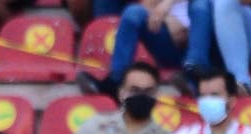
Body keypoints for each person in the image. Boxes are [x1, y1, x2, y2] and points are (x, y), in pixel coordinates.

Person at [76, 0, 214, 98]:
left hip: (207, 49)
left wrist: (168, 4)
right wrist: (167, 19)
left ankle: (195, 75)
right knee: (133, 12)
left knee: (200, 6)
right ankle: (116, 80)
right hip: (171, 42)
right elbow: (148, 6)